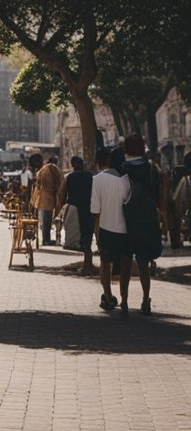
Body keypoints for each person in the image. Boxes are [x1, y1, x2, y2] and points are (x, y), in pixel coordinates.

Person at [120, 134, 160, 315]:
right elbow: (156, 195)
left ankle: (125, 301)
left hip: (127, 218)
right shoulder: (150, 168)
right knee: (143, 262)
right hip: (146, 219)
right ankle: (145, 299)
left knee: (126, 262)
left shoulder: (123, 167)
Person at [91, 147, 132, 314]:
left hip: (105, 227)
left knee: (105, 264)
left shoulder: (97, 180)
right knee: (125, 264)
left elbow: (96, 210)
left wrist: (96, 232)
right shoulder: (126, 180)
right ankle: (124, 299)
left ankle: (108, 296)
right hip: (125, 229)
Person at [57, 155, 95, 274]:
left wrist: (60, 209)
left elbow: (62, 195)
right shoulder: (90, 176)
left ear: (72, 165)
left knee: (79, 239)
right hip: (89, 209)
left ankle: (87, 265)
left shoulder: (70, 177)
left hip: (75, 209)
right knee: (87, 238)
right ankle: (88, 263)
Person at [32, 154, 64, 246]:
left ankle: (46, 239)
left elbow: (37, 184)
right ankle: (46, 240)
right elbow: (60, 181)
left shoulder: (42, 170)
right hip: (48, 198)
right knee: (47, 221)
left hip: (41, 198)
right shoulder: (52, 167)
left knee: (46, 221)